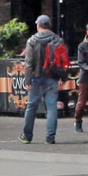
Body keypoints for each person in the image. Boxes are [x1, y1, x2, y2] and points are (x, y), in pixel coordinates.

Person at [19, 14, 67, 145]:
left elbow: (28, 63)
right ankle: (50, 137)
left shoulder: (32, 41)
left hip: (36, 77)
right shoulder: (58, 40)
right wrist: (63, 76)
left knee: (31, 107)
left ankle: (27, 136)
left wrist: (27, 80)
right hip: (52, 77)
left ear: (38, 25)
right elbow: (63, 60)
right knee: (51, 107)